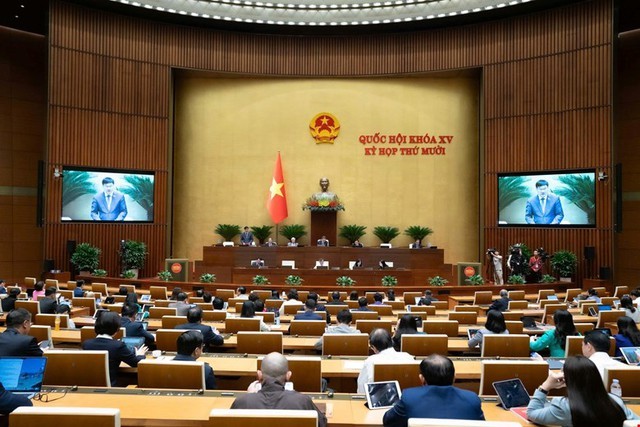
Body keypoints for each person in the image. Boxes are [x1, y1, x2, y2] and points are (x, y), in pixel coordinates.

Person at [526, 356, 639, 426]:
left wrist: (545, 387)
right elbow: (636, 422)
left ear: (566, 378)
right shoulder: (615, 400)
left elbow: (532, 413)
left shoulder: (564, 406)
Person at [383, 355, 484, 426]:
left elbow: (388, 421)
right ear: (454, 378)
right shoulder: (472, 399)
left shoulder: (409, 397)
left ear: (422, 379)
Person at [231, 352, 327, 427]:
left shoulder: (241, 402)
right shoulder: (302, 401)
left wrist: (249, 397)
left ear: (259, 375)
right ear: (288, 375)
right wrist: (295, 396)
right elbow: (322, 423)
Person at [82, 311, 147, 386]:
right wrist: (140, 355)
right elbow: (135, 363)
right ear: (117, 329)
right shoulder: (118, 346)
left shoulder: (86, 344)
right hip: (111, 388)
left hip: (88, 387)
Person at [357, 329, 414, 393]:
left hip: (379, 398)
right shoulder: (408, 357)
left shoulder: (370, 361)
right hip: (408, 397)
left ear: (374, 347)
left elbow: (362, 388)